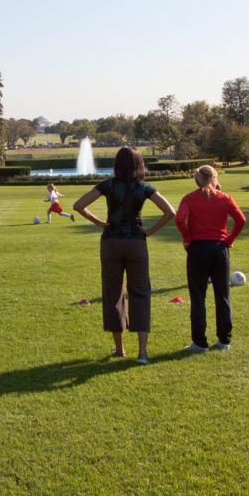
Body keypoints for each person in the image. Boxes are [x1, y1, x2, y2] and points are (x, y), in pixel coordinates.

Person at [73, 146, 176, 365]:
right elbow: (170, 212)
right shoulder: (145, 187)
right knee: (140, 293)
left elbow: (79, 205)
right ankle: (142, 352)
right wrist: (150, 231)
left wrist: (100, 222)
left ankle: (120, 350)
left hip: (111, 242)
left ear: (117, 164)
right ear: (139, 164)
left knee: (113, 294)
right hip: (136, 242)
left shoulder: (107, 185)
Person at [174, 165, 246, 353]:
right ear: (214, 177)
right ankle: (224, 341)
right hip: (219, 249)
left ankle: (199, 343)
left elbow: (180, 219)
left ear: (197, 180)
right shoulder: (225, 198)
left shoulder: (189, 198)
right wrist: (229, 240)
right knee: (222, 295)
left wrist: (187, 237)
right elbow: (241, 220)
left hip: (197, 249)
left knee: (198, 297)